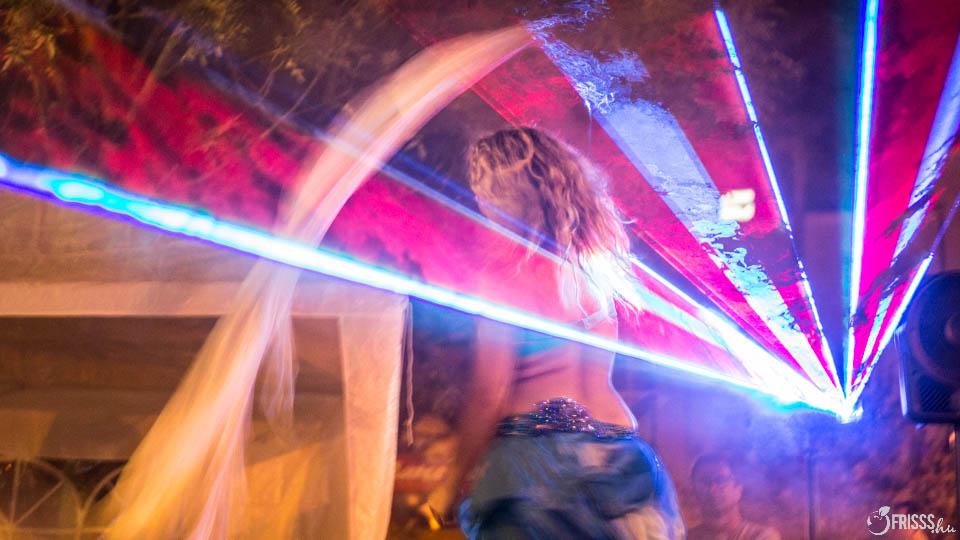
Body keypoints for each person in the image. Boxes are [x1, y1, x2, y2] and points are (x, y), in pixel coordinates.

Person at [421, 127, 685, 539]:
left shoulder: (503, 281)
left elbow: (490, 394)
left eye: (481, 192)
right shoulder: (596, 270)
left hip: (538, 467)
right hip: (620, 458)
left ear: (504, 196)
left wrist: (448, 487)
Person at [688, 454, 781, 540]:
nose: (712, 488)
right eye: (704, 482)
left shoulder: (762, 536)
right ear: (694, 490)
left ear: (738, 487)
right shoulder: (684, 537)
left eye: (720, 480)